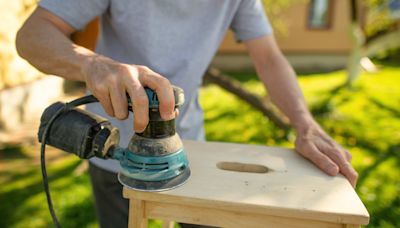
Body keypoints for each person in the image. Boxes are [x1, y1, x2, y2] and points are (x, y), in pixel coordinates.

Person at [16, 1, 358, 227]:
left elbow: (268, 58)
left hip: (191, 147)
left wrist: (305, 123)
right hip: (112, 149)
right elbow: (32, 34)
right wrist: (92, 63)